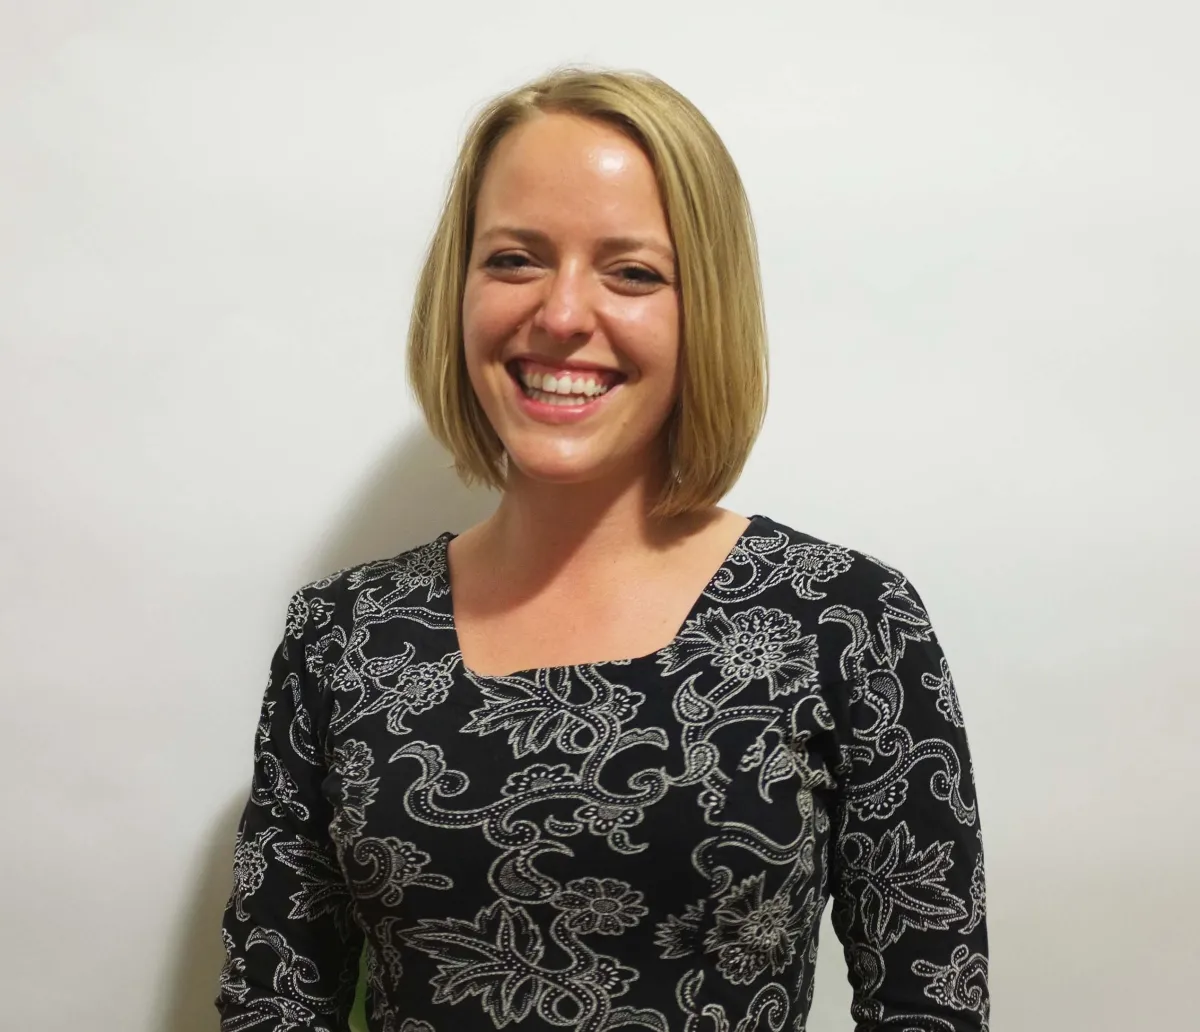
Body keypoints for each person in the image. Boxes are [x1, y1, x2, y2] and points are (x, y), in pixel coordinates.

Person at [216, 67, 989, 1032]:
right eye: (514, 259)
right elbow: (272, 1001)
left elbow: (930, 1005)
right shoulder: (343, 637)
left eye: (631, 272)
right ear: (456, 288)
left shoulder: (842, 620)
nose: (563, 315)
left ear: (701, 307)